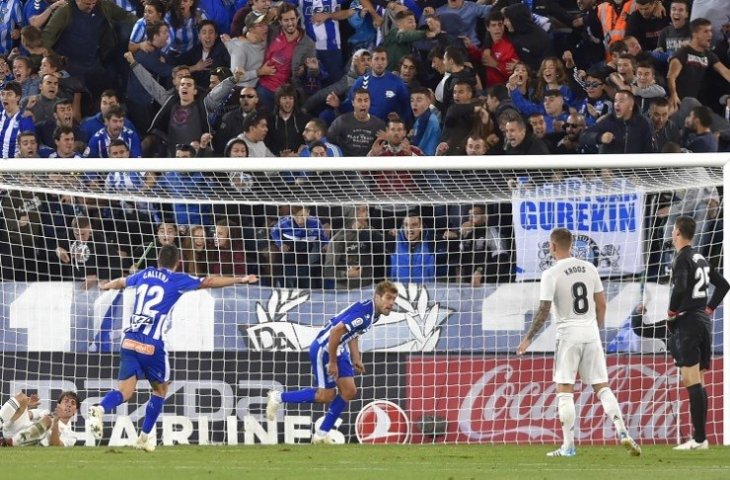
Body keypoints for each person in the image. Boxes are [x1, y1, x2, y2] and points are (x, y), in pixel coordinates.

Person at [87, 244, 258, 451]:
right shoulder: (176, 279)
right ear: (177, 263)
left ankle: (100, 408)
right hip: (152, 343)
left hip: (129, 339)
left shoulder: (145, 273)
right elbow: (209, 281)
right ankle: (144, 437)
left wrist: (106, 286)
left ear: (157, 260)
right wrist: (240, 279)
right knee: (160, 389)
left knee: (124, 392)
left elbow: (121, 282)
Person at [516, 228, 641, 458]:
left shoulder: (551, 274)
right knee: (602, 387)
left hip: (568, 334)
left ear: (553, 247)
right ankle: (623, 432)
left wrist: (528, 338)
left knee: (565, 390)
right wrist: (597, 328)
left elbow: (544, 310)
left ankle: (568, 446)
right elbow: (602, 305)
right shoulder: (590, 268)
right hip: (591, 332)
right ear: (571, 245)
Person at [633, 216, 730, 450]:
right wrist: (709, 308)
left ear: (677, 232)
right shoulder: (700, 257)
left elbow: (682, 286)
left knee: (690, 380)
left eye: (672, 229)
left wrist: (671, 312)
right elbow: (724, 285)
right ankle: (701, 438)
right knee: (698, 381)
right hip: (702, 322)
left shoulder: (682, 258)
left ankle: (699, 440)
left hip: (687, 322)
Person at [265, 280, 398, 443]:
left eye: (393, 300)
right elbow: (335, 332)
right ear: (377, 297)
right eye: (388, 298)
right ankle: (278, 397)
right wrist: (333, 362)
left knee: (349, 391)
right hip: (325, 349)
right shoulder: (364, 313)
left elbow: (353, 334)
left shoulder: (373, 314)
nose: (391, 303)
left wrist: (356, 357)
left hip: (338, 348)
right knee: (325, 396)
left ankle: (321, 435)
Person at [0, 390, 79, 447]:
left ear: (75, 411)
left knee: (47, 420)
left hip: (27, 443)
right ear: (59, 405)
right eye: (66, 401)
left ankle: (9, 443)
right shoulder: (44, 412)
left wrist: (55, 423)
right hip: (16, 430)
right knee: (22, 397)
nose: (69, 405)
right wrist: (27, 406)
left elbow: (56, 445)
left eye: (73, 403)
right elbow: (22, 415)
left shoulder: (71, 435)